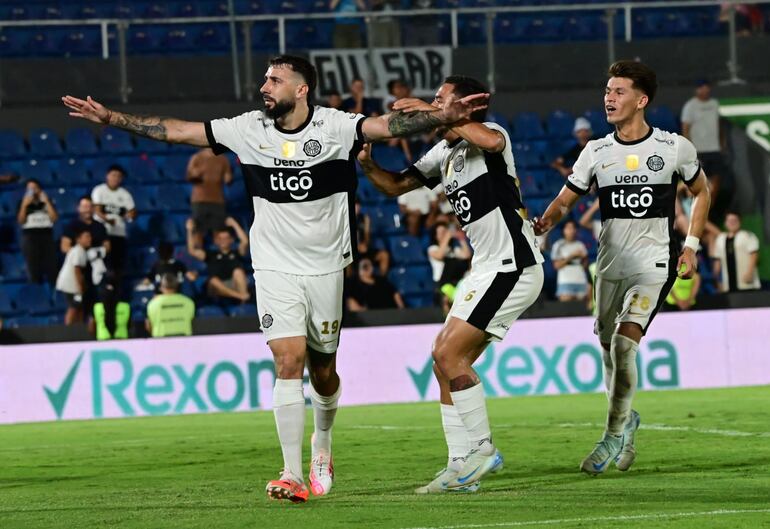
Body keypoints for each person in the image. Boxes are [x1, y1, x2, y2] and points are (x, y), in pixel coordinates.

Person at [62, 54, 487, 502]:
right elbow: (178, 130)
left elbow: (386, 127)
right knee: (288, 359)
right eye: (266, 78)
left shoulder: (336, 126)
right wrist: (111, 118)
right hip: (272, 266)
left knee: (324, 373)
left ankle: (322, 444)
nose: (265, 86)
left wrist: (441, 116)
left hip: (325, 267)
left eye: (275, 80)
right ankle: (291, 473)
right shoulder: (248, 129)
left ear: (302, 89)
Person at [357, 75, 544, 493]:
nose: (437, 106)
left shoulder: (492, 136)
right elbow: (396, 186)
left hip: (513, 263)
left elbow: (490, 144)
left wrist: (427, 107)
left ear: (466, 106)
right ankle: (459, 466)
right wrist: (369, 165)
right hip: (486, 268)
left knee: (448, 353)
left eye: (444, 100)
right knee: (443, 362)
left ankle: (482, 450)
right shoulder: (444, 152)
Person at [533, 60, 711, 476]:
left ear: (641, 99)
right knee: (608, 347)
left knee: (626, 342)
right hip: (610, 264)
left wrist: (691, 247)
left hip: (655, 262)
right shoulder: (596, 151)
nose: (608, 98)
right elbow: (564, 201)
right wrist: (545, 222)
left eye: (618, 91)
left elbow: (702, 192)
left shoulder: (673, 148)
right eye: (607, 91)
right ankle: (626, 419)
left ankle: (611, 434)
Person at [680, 80, 728, 220]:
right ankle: (695, 214)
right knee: (699, 183)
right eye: (701, 87)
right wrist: (689, 151)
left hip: (715, 150)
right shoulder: (690, 106)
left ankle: (706, 213)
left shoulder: (714, 104)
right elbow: (686, 128)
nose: (704, 90)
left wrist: (722, 143)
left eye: (707, 87)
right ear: (697, 90)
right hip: (698, 152)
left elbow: (719, 124)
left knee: (716, 182)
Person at [61, 196, 110, 311]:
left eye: (89, 206)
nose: (87, 209)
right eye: (84, 206)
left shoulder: (99, 226)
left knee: (96, 306)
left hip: (96, 270)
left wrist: (98, 252)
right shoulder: (72, 226)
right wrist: (81, 255)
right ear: (78, 208)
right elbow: (64, 246)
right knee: (75, 307)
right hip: (77, 270)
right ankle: (71, 329)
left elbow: (107, 246)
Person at [186, 217, 250, 303]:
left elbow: (245, 241)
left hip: (233, 284)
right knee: (213, 280)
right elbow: (192, 250)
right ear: (216, 241)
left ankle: (243, 303)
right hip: (215, 289)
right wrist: (189, 230)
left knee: (238, 272)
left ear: (231, 240)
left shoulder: (237, 253)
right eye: (220, 238)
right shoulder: (210, 254)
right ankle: (241, 296)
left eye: (226, 238)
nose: (223, 241)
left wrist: (234, 224)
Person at [91, 165, 136, 275]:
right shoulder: (99, 190)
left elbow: (132, 212)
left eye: (119, 176)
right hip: (101, 232)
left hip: (118, 233)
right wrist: (108, 220)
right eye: (113, 175)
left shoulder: (125, 194)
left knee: (117, 267)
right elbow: (97, 210)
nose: (115, 178)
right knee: (102, 265)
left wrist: (129, 215)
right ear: (107, 176)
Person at [186, 147, 233, 246]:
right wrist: (194, 173)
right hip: (200, 200)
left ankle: (219, 258)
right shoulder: (197, 157)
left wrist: (228, 177)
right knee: (198, 231)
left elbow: (228, 178)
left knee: (219, 231)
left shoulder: (223, 159)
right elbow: (189, 175)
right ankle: (199, 256)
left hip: (217, 200)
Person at [16, 179, 59, 284]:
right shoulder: (22, 203)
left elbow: (54, 218)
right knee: (33, 269)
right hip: (30, 236)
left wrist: (47, 202)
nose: (33, 191)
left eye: (35, 188)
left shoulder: (48, 202)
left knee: (52, 268)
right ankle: (36, 291)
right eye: (30, 189)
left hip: (46, 234)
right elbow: (21, 221)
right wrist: (24, 205)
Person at [427, 220, 471, 312]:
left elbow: (466, 255)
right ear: (435, 236)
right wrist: (447, 236)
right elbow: (439, 255)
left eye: (445, 232)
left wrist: (461, 238)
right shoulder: (433, 249)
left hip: (456, 283)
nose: (444, 234)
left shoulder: (454, 250)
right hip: (442, 285)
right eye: (441, 233)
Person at [712, 211, 760, 292]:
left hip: (746, 284)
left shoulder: (747, 236)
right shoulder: (720, 239)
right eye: (729, 221)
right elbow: (717, 260)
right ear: (725, 223)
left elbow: (754, 255)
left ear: (740, 222)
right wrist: (716, 280)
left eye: (734, 220)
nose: (732, 223)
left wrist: (750, 273)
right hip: (728, 285)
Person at [55, 228, 92, 325]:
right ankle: (69, 330)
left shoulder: (81, 251)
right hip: (69, 284)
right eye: (87, 237)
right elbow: (77, 270)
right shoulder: (78, 251)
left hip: (72, 284)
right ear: (78, 239)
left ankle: (78, 329)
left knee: (79, 307)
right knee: (73, 306)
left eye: (90, 237)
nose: (89, 239)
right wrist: (80, 287)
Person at [146, 272, 196, 337]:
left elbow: (148, 325)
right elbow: (192, 322)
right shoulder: (188, 302)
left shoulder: (153, 303)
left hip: (160, 341)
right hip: (184, 341)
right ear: (177, 286)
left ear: (161, 287)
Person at [550, 219, 589, 302]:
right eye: (568, 228)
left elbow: (585, 265)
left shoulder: (580, 245)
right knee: (565, 310)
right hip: (565, 282)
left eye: (573, 228)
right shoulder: (558, 245)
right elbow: (556, 266)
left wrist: (584, 259)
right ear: (563, 230)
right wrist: (571, 256)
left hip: (580, 280)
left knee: (581, 311)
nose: (571, 231)